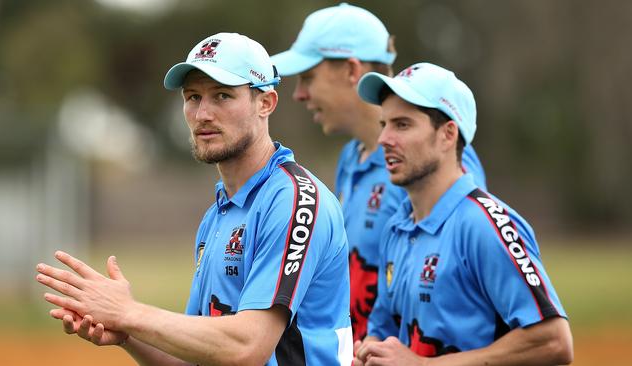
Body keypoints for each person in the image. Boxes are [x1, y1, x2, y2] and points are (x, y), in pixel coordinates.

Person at [35, 32, 353, 366]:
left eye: (222, 96)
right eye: (193, 97)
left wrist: (129, 312)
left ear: (265, 103)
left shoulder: (294, 199)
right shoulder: (217, 216)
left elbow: (248, 347)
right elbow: (198, 358)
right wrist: (126, 333)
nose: (202, 114)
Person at [271, 3, 488, 343]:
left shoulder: (437, 155)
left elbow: (463, 280)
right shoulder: (349, 159)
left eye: (308, 78)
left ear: (351, 70)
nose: (298, 94)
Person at [351, 62, 573, 365]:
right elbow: (383, 327)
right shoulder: (397, 227)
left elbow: (554, 341)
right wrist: (370, 350)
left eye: (402, 125)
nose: (384, 140)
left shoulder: (484, 224)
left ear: (447, 135)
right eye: (384, 125)